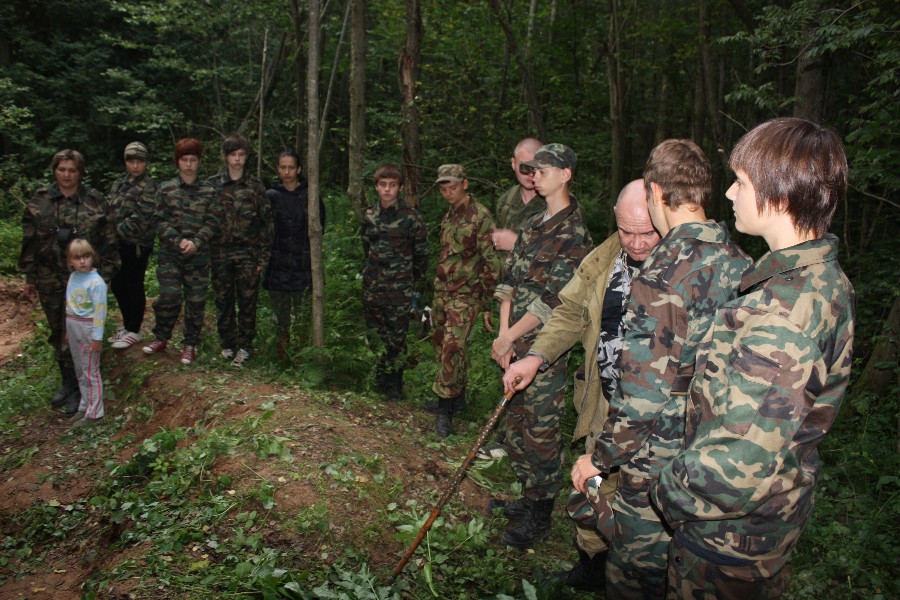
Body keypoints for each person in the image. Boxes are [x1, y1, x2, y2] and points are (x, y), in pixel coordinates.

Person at [651, 118, 855, 598]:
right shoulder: (822, 280)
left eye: (740, 182)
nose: (728, 193)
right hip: (765, 523)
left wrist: (665, 491)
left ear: (779, 196)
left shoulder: (782, 313)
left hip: (726, 540)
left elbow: (738, 465)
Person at [569, 139, 751, 599]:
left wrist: (599, 458)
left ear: (654, 192)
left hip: (657, 461)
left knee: (637, 576)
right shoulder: (740, 262)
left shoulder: (661, 275)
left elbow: (642, 397)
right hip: (715, 456)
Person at [502, 179, 661, 590]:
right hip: (604, 403)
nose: (636, 243)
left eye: (647, 232)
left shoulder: (685, 266)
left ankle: (637, 579)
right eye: (626, 231)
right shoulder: (607, 255)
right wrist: (537, 356)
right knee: (593, 489)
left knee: (647, 507)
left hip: (658, 419)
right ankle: (592, 568)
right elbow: (571, 309)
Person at [489, 143, 592, 548]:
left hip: (543, 351)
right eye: (532, 169)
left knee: (540, 429)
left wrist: (511, 337)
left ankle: (541, 514)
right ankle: (527, 495)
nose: (535, 175)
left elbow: (555, 300)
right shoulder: (532, 224)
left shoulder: (574, 234)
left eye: (544, 170)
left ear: (566, 174)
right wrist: (503, 336)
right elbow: (509, 283)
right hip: (512, 342)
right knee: (515, 424)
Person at [20, 149, 119, 415]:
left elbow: (109, 241)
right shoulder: (40, 200)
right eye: (61, 169)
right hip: (50, 276)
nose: (66, 175)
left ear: (80, 172)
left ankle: (81, 387)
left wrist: (105, 277)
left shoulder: (94, 201)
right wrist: (30, 276)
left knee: (80, 332)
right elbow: (29, 241)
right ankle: (68, 382)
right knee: (58, 330)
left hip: (84, 279)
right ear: (54, 171)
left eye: (72, 170)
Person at [477, 136, 544, 459]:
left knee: (535, 374)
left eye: (535, 166)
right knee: (507, 363)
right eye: (523, 166)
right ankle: (507, 438)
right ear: (513, 164)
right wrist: (491, 299)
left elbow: (557, 257)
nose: (529, 173)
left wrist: (515, 241)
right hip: (509, 297)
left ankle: (528, 449)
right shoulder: (506, 201)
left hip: (540, 302)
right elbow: (498, 258)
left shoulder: (552, 202)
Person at [430, 164, 500, 437]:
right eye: (443, 189)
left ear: (465, 184)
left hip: (467, 295)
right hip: (442, 292)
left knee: (452, 346)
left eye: (453, 187)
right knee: (442, 346)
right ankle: (457, 398)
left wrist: (487, 301)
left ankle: (444, 409)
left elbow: (491, 261)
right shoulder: (449, 216)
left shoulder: (480, 216)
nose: (448, 193)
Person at [143, 138, 222, 366]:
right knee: (169, 297)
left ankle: (190, 344)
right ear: (177, 161)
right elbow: (158, 219)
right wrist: (178, 240)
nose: (188, 164)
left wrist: (197, 241)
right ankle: (161, 337)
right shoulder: (165, 189)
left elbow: (214, 220)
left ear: (199, 161)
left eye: (193, 160)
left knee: (195, 300)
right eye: (184, 160)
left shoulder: (209, 190)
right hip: (171, 254)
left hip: (198, 255)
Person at [361, 163, 428, 401]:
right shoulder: (369, 215)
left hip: (400, 288)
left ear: (400, 187)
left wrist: (412, 281)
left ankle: (395, 385)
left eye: (392, 185)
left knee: (397, 336)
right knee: (375, 333)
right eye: (383, 185)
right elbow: (366, 247)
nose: (387, 189)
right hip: (373, 286)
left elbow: (421, 254)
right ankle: (379, 379)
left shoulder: (411, 218)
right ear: (376, 187)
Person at [208, 135, 273, 367]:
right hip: (220, 253)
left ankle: (245, 347)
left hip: (248, 254)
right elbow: (205, 221)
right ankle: (227, 344)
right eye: (233, 154)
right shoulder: (213, 185)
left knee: (247, 302)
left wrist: (263, 256)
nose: (237, 159)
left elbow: (267, 223)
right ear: (226, 156)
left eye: (241, 155)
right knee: (223, 300)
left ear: (246, 157)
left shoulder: (255, 186)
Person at [263, 151, 325, 359]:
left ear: (298, 169)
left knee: (303, 317)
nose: (287, 172)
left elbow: (320, 228)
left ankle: (302, 359)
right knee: (281, 319)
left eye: (291, 167)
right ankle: (282, 358)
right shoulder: (270, 196)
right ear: (278, 169)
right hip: (277, 265)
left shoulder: (310, 196)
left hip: (304, 266)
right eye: (283, 167)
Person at [107, 142, 157, 349]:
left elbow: (142, 217)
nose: (135, 166)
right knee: (118, 283)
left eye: (139, 162)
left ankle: (134, 330)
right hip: (117, 243)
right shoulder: (119, 184)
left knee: (133, 283)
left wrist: (114, 232)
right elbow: (109, 208)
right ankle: (127, 326)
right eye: (131, 161)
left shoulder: (149, 187)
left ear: (145, 163)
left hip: (136, 244)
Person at [64, 239, 107, 427]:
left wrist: (97, 337)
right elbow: (70, 303)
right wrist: (67, 329)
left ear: (92, 257)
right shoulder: (73, 277)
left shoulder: (96, 282)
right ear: (70, 261)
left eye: (86, 256)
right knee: (80, 369)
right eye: (77, 258)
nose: (82, 261)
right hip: (73, 325)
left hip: (88, 328)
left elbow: (100, 311)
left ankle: (95, 413)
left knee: (90, 371)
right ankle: (85, 405)